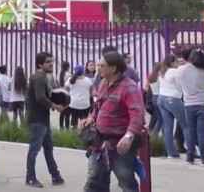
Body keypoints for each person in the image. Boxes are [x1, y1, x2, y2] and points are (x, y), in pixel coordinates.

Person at [80, 51, 145, 192]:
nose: (99, 68)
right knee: (94, 183)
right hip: (99, 144)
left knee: (127, 183)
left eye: (102, 65)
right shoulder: (103, 83)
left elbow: (138, 114)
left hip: (120, 145)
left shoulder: (129, 87)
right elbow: (98, 105)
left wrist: (129, 136)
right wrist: (91, 118)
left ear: (113, 68)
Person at [25, 51, 65, 187]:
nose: (51, 64)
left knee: (48, 147)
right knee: (34, 149)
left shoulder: (44, 77)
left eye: (52, 61)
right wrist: (55, 106)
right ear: (40, 64)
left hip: (43, 118)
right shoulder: (39, 78)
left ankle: (55, 175)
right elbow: (40, 97)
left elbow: (44, 96)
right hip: (37, 119)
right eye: (48, 62)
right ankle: (30, 177)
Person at [179, 46, 204, 165]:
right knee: (201, 133)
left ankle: (190, 156)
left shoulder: (181, 70)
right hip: (202, 104)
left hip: (188, 104)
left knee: (191, 131)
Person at [157, 54, 191, 159]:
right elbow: (179, 85)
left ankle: (171, 152)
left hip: (161, 98)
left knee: (168, 126)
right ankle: (191, 151)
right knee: (185, 125)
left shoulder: (161, 72)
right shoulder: (175, 72)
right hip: (173, 99)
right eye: (176, 62)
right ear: (172, 62)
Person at [145, 62, 163, 135]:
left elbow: (146, 88)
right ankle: (154, 134)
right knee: (161, 120)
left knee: (158, 118)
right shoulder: (160, 77)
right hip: (160, 96)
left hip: (153, 97)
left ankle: (153, 133)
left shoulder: (150, 76)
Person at [58, 61, 72, 129]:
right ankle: (67, 127)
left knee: (62, 112)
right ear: (68, 67)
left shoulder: (60, 74)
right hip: (67, 94)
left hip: (61, 93)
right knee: (67, 112)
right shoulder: (68, 74)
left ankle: (61, 126)